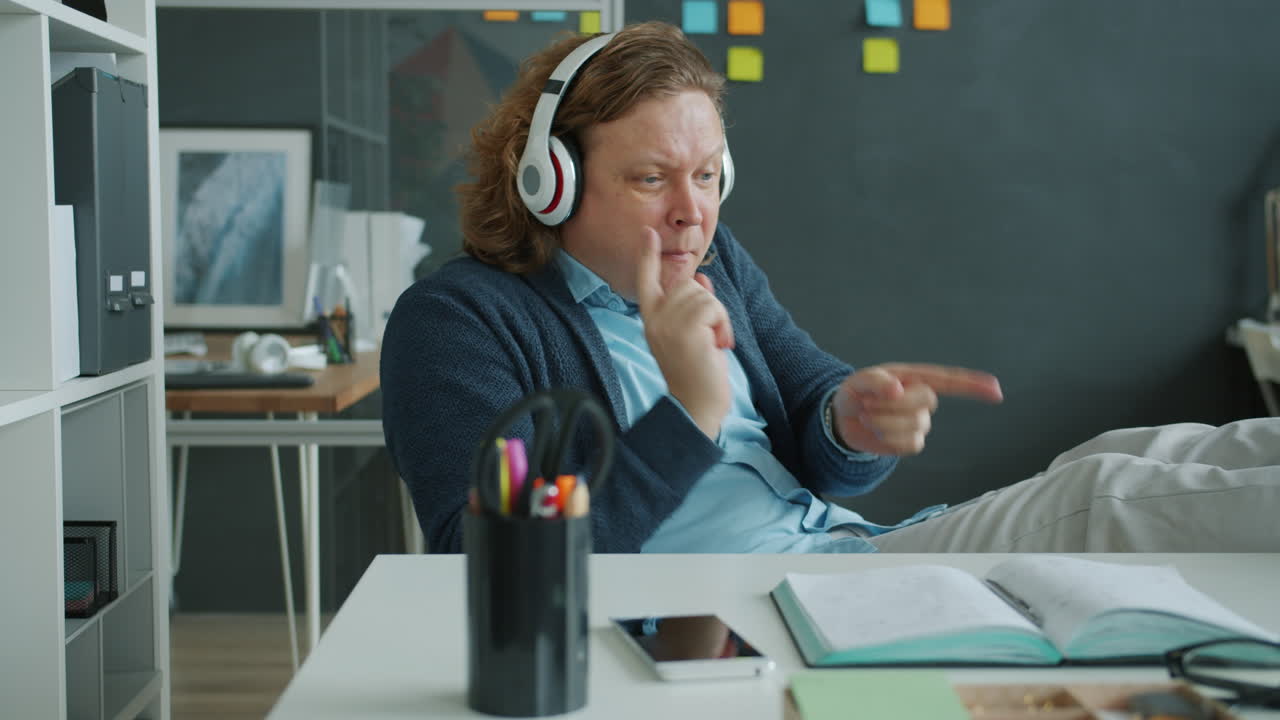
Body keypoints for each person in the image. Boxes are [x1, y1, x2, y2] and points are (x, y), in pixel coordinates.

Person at [381, 21, 1280, 555]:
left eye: (706, 176)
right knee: (1102, 503)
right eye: (652, 178)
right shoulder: (459, 323)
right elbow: (488, 556)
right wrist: (689, 414)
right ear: (551, 181)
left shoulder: (718, 264)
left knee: (1146, 452)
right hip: (750, 606)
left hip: (844, 556)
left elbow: (817, 411)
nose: (693, 214)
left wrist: (848, 421)